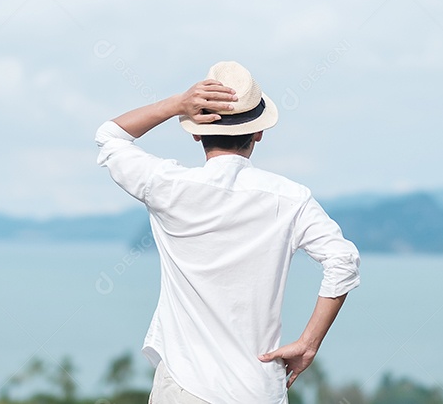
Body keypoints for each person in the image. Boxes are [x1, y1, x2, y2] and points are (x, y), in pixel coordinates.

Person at [95, 61, 360, 403]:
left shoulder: (167, 186)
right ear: (259, 132)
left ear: (195, 131)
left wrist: (177, 103)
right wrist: (309, 343)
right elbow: (344, 260)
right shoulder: (290, 198)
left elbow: (109, 136)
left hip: (185, 387)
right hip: (257, 389)